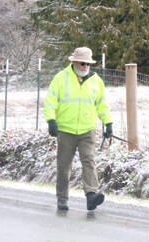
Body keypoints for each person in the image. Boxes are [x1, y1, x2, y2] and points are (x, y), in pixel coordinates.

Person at [44, 47, 113, 211]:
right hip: (65, 130)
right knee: (64, 165)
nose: (85, 66)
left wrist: (108, 123)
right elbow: (50, 101)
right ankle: (62, 198)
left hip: (87, 130)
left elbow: (102, 105)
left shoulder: (97, 81)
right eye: (82, 63)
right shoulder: (61, 78)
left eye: (88, 64)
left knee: (89, 161)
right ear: (74, 62)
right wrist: (51, 121)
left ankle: (91, 196)